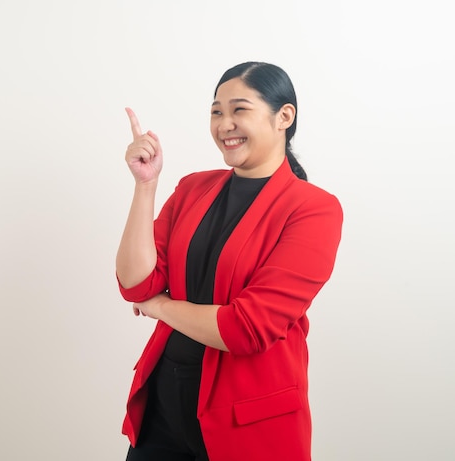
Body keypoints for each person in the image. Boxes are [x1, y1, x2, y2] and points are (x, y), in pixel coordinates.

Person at [116, 61, 343, 461]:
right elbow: (136, 284)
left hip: (248, 426)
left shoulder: (314, 209)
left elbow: (246, 329)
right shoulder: (193, 188)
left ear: (283, 117)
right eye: (216, 111)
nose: (225, 124)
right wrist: (146, 185)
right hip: (162, 415)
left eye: (239, 109)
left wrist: (162, 307)